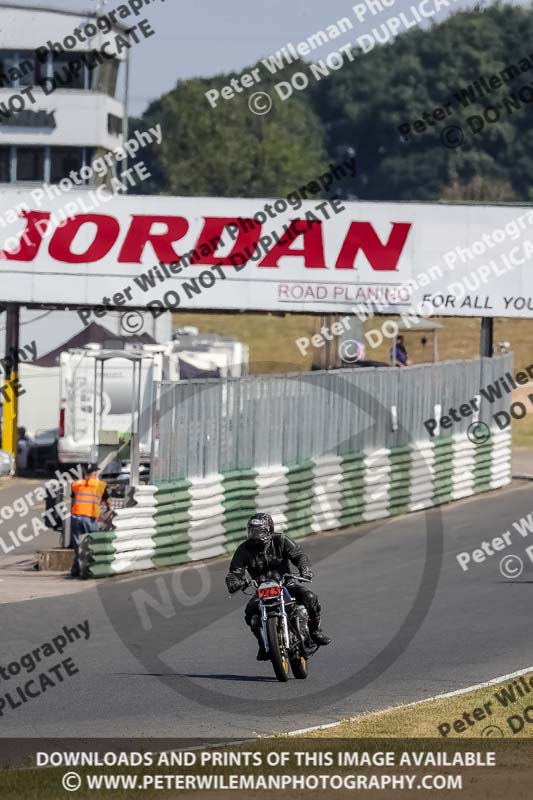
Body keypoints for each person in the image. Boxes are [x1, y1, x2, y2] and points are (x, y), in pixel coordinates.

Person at [225, 513, 331, 661]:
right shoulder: (243, 549)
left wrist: (305, 569)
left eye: (258, 531)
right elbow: (235, 571)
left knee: (310, 597)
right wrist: (234, 582)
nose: (254, 534)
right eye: (252, 531)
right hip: (262, 588)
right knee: (250, 613)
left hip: (286, 583)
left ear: (269, 530)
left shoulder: (281, 540)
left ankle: (315, 631)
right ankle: (263, 644)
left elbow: (299, 555)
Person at [70, 463, 111, 578]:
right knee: (92, 544)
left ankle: (76, 569)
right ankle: (89, 569)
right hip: (90, 518)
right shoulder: (100, 485)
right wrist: (108, 510)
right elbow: (108, 502)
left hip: (75, 517)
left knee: (78, 545)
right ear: (95, 473)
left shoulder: (76, 484)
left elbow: (73, 501)